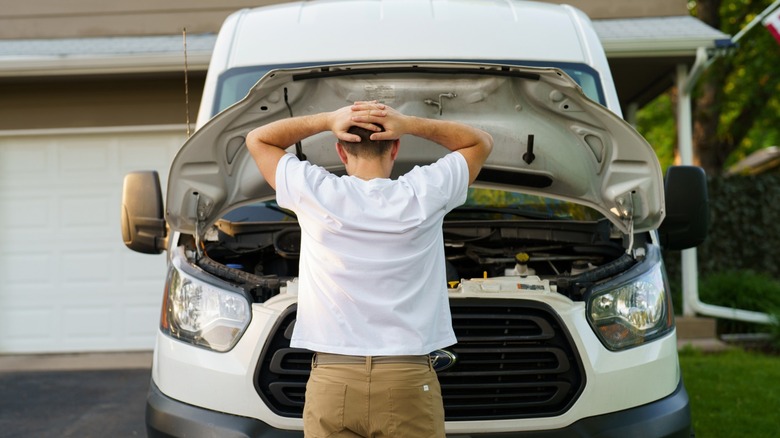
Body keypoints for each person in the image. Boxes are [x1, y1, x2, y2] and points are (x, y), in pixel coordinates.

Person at [246, 101, 493, 437]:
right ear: (395, 147)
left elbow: (258, 139)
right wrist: (408, 122)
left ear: (340, 149)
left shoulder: (316, 191)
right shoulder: (424, 192)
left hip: (333, 381)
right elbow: (479, 142)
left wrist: (328, 118)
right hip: (406, 380)